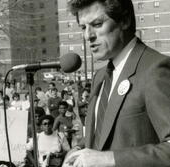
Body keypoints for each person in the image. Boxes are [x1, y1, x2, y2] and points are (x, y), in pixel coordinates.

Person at [63, 0, 170, 167]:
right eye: (83, 27)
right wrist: (78, 149)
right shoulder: (100, 78)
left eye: (97, 24)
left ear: (124, 21)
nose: (88, 35)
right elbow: (106, 135)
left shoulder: (155, 70)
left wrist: (109, 159)